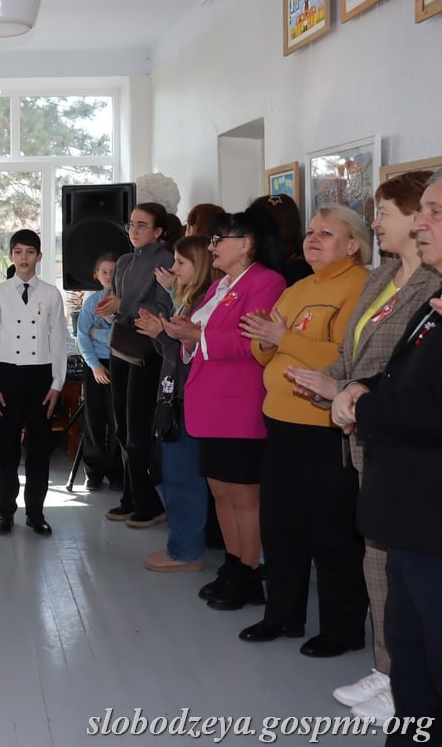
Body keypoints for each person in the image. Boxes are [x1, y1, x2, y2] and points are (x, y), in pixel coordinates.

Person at [285, 171, 438, 722]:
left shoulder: (430, 285)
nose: (377, 224)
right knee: (381, 563)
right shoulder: (384, 278)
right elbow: (358, 352)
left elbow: (409, 382)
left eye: (386, 213)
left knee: (403, 571)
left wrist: (351, 396)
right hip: (374, 436)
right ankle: (387, 667)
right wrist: (337, 385)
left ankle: (399, 676)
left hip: (403, 448)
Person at [331, 172, 442, 747]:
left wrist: (362, 405)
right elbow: (399, 373)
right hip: (410, 516)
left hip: (431, 518)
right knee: (412, 656)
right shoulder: (432, 300)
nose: (422, 222)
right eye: (421, 210)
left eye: (435, 212)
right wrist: (360, 388)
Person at [237, 206, 371, 656]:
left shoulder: (361, 287)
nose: (312, 239)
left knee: (332, 533)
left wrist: (284, 339)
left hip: (324, 427)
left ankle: (343, 630)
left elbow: (345, 357)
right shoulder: (297, 289)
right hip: (280, 421)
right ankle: (282, 615)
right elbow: (263, 352)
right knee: (281, 526)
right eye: (310, 231)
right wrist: (266, 340)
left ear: (352, 245)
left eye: (326, 233)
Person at [175, 208, 286, 609]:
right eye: (212, 239)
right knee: (220, 491)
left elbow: (255, 343)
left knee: (244, 495)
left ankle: (250, 572)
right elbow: (202, 337)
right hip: (210, 403)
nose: (212, 247)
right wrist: (185, 336)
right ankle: (234, 565)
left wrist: (198, 335)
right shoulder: (220, 285)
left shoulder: (266, 282)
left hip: (239, 403)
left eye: (219, 239)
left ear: (246, 245)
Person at [135, 235, 213, 571]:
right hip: (172, 398)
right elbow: (174, 352)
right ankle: (181, 544)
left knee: (183, 479)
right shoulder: (187, 301)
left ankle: (186, 551)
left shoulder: (201, 304)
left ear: (200, 266)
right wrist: (160, 334)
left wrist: (162, 335)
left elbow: (188, 358)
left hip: (185, 401)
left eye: (181, 263)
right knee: (167, 472)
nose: (174, 269)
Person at [0, 229, 68, 536]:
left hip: (40, 376)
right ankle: (5, 511)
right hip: (7, 375)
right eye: (18, 252)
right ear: (10, 255)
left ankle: (36, 512)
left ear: (39, 256)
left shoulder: (51, 293)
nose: (23, 258)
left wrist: (57, 384)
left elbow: (58, 340)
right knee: (6, 448)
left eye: (30, 252)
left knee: (39, 448)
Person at [96, 203, 173, 528]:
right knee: (122, 427)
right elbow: (118, 305)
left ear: (159, 231)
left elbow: (163, 307)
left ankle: (148, 502)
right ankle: (130, 496)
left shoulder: (166, 260)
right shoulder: (125, 261)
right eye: (131, 224)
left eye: (143, 225)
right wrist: (111, 308)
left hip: (148, 349)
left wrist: (123, 304)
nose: (135, 230)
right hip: (121, 344)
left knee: (137, 429)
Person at [75, 252, 121, 491]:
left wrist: (98, 334)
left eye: (113, 271)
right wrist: (94, 365)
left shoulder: (126, 301)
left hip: (120, 363)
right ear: (96, 275)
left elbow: (122, 336)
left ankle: (117, 471)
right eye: (104, 271)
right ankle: (93, 471)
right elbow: (82, 335)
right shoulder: (91, 302)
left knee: (117, 419)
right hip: (95, 365)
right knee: (94, 418)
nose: (109, 275)